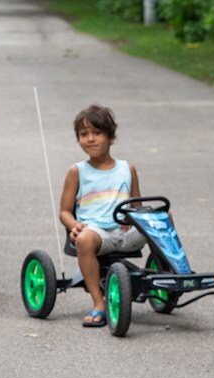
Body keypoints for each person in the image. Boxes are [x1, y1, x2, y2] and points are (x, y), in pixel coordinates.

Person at [58, 104, 143, 328]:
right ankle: (98, 302)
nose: (91, 139)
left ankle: (172, 274)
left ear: (110, 136)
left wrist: (133, 217)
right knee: (84, 238)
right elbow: (64, 212)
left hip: (125, 232)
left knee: (163, 216)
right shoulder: (77, 171)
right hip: (97, 233)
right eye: (84, 135)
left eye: (97, 133)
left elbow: (137, 206)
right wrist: (74, 225)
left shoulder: (127, 168)